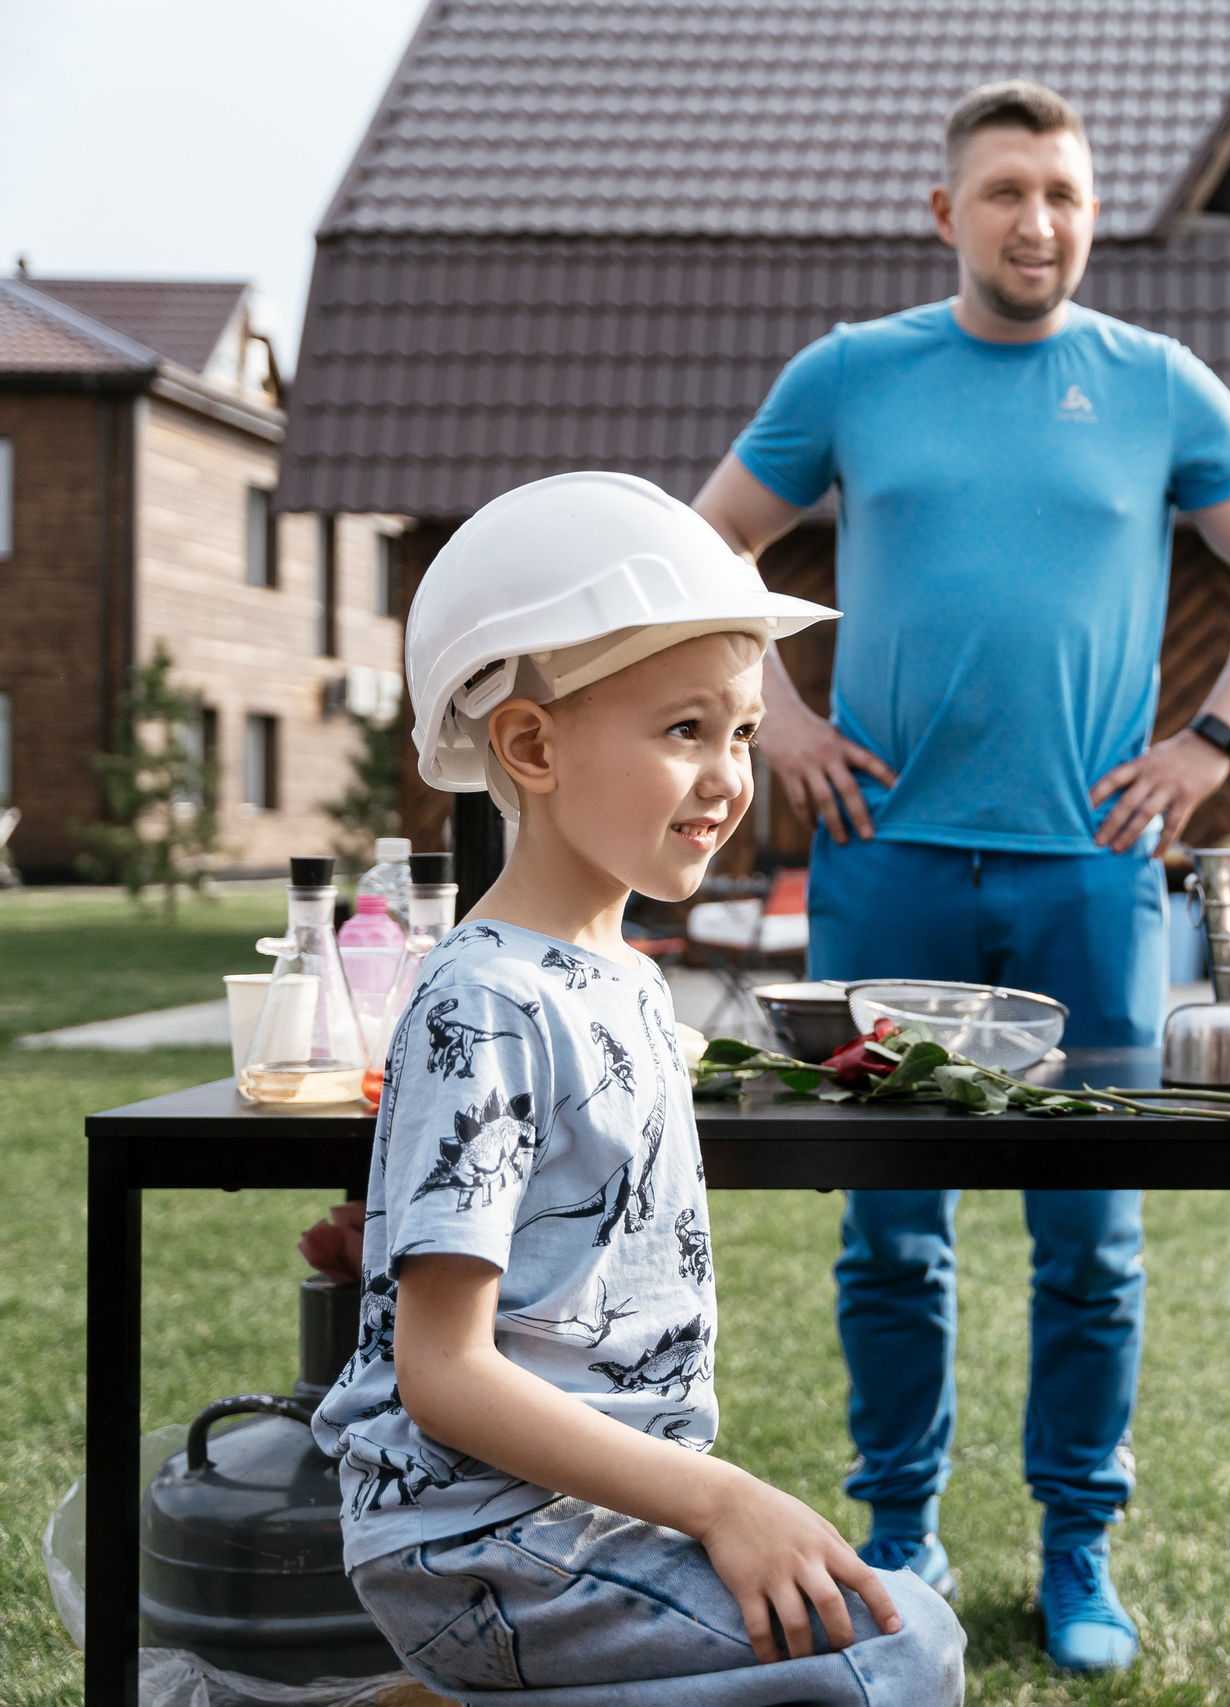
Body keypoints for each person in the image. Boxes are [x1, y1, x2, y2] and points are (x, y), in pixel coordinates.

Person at [689, 81, 1230, 1671]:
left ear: (1090, 210)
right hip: (887, 863)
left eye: (1062, 192)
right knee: (891, 1231)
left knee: (1091, 1241)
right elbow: (706, 547)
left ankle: (1077, 1547)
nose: (1037, 221)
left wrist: (1207, 742)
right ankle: (897, 1532)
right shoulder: (854, 374)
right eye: (1005, 193)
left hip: (1091, 875)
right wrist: (777, 717)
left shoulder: (1156, 385)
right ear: (945, 212)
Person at [312, 471, 965, 1704]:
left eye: (740, 735)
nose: (727, 777)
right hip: (478, 1538)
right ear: (530, 743)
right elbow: (441, 1372)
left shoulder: (626, 980)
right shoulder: (490, 995)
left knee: (885, 1621)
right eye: (682, 732)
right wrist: (724, 1500)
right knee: (899, 1651)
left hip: (587, 1511)